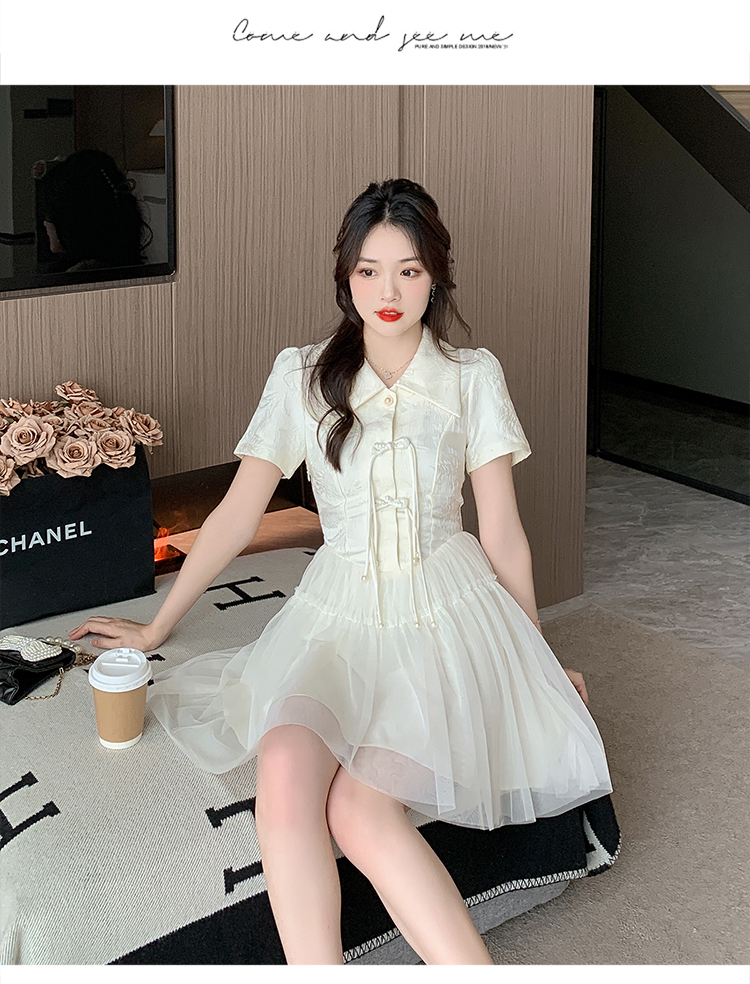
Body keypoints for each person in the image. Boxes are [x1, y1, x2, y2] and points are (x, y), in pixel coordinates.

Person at [68, 178, 614, 966]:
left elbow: (502, 531)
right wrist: (157, 627)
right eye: (368, 270)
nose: (387, 293)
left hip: (441, 615)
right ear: (345, 276)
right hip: (337, 616)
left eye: (408, 271)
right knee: (285, 771)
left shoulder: (472, 375)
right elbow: (235, 514)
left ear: (436, 276)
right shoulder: (302, 374)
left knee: (360, 812)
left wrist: (535, 659)